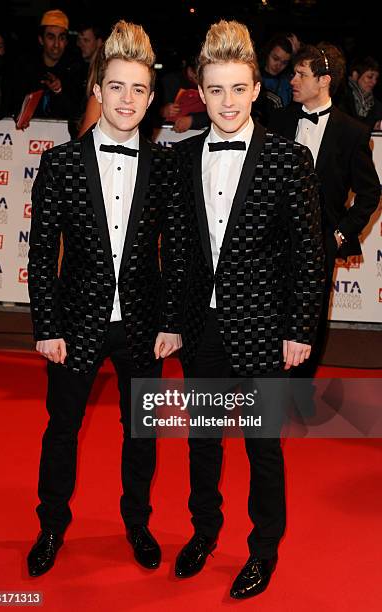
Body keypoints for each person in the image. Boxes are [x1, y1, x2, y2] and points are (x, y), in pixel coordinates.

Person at [26, 20, 187, 578]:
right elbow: (42, 253)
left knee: (141, 433)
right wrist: (46, 326)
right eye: (116, 86)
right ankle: (50, 526)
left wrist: (172, 321)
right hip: (73, 324)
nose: (126, 99)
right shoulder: (61, 163)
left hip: (144, 325)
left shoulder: (166, 167)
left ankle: (137, 523)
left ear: (150, 99)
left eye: (138, 89)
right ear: (97, 89)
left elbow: (180, 255)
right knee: (62, 430)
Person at [174, 20, 325, 599]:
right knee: (203, 441)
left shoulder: (289, 160)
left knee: (262, 448)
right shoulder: (183, 158)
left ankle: (263, 550)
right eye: (216, 90)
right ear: (201, 90)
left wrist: (298, 329)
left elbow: (308, 255)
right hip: (201, 328)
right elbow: (181, 253)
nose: (228, 101)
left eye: (238, 89)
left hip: (264, 329)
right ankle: (203, 533)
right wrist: (171, 321)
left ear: (257, 89)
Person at [269, 43, 380, 375]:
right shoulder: (278, 120)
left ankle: (300, 394)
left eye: (301, 74)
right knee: (268, 316)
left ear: (324, 80)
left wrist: (339, 236)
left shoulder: (352, 131)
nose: (292, 80)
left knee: (309, 324)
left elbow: (370, 194)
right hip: (271, 241)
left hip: (319, 244)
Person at [10, 9, 84, 132]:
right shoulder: (25, 66)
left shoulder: (75, 69)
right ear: (41, 40)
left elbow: (77, 113)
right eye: (51, 37)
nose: (56, 44)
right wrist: (19, 114)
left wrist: (59, 90)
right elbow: (11, 101)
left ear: (66, 41)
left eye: (61, 38)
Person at [339, 56, 382, 130]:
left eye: (376, 78)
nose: (374, 82)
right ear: (355, 75)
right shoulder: (340, 98)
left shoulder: (377, 105)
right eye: (370, 77)